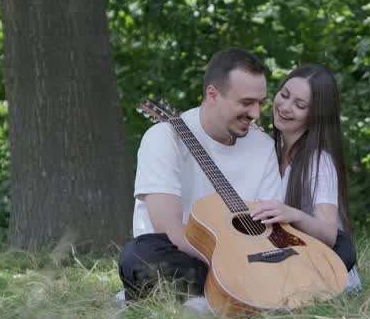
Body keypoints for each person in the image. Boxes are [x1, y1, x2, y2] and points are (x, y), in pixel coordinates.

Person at [118, 47, 282, 302]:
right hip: (190, 257)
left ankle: (209, 298)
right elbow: (170, 230)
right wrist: (227, 260)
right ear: (213, 94)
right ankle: (227, 295)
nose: (256, 114)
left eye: (260, 103)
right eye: (246, 103)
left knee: (335, 247)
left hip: (253, 258)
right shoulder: (162, 138)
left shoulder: (263, 146)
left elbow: (271, 224)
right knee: (138, 255)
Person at [250, 64, 361, 291]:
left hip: (318, 272)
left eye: (300, 105)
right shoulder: (267, 150)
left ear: (316, 116)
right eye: (284, 95)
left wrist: (292, 214)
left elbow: (329, 234)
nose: (285, 107)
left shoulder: (319, 162)